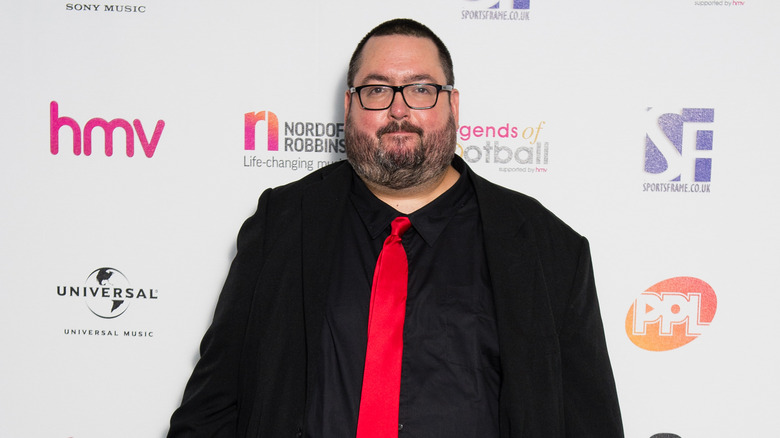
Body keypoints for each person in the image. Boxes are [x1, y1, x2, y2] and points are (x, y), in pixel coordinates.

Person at [168, 18, 623, 438]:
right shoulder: (282, 225)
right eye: (377, 90)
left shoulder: (548, 248)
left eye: (421, 89)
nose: (399, 110)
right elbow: (212, 407)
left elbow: (589, 423)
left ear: (453, 104)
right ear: (349, 105)